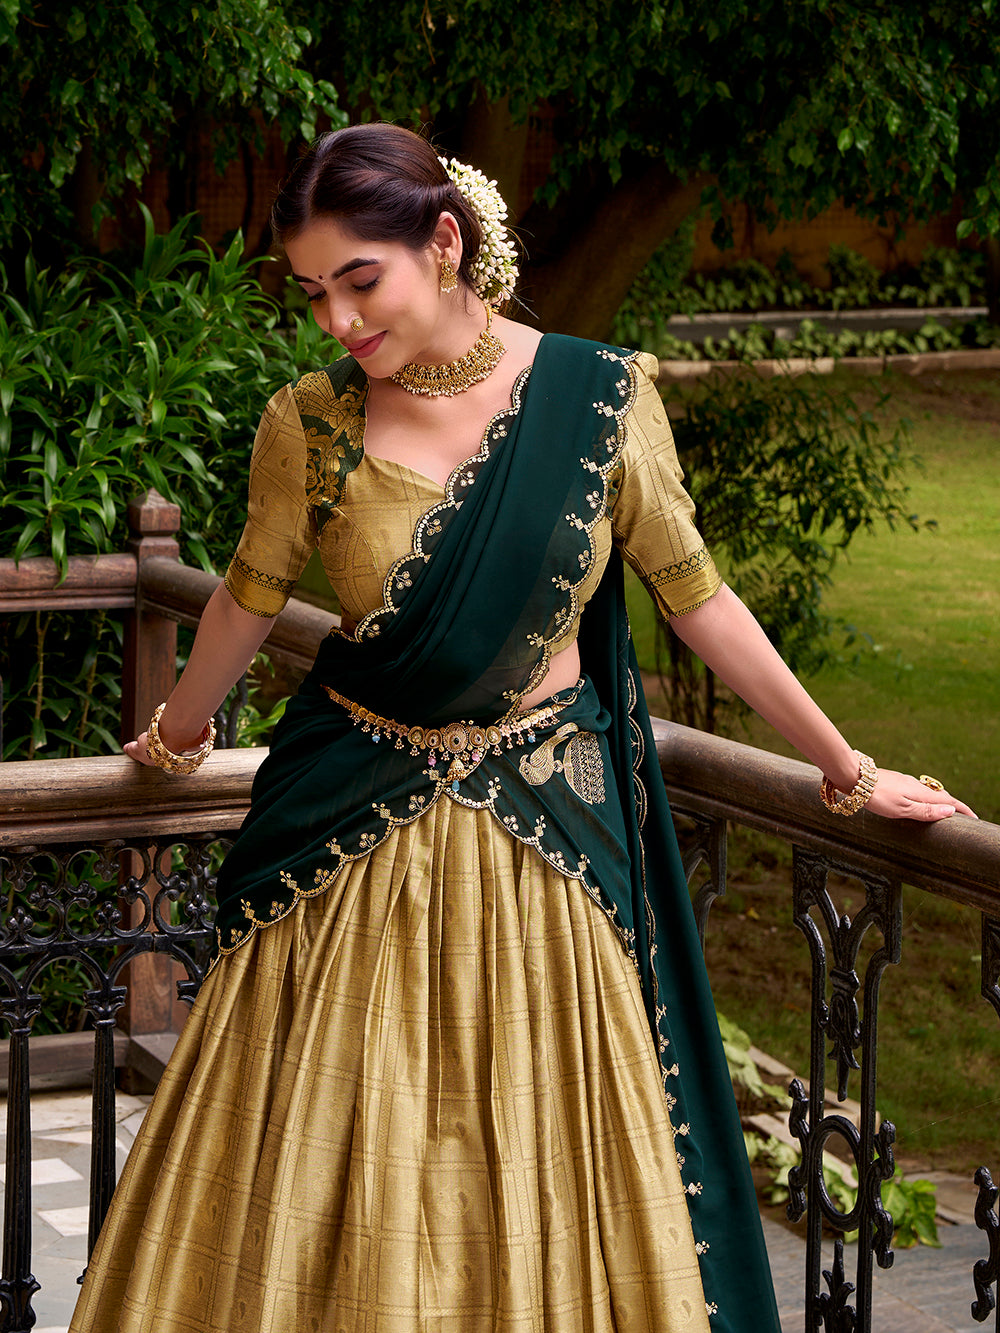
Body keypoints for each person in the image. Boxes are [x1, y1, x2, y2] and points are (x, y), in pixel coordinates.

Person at [70, 123, 975, 1333]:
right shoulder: (309, 424)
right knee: (322, 1168)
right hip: (348, 856)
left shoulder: (600, 399)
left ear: (442, 244)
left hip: (541, 851)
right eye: (311, 294)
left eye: (360, 280)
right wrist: (175, 738)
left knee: (551, 1158)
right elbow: (245, 593)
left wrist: (845, 770)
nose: (337, 320)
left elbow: (696, 597)